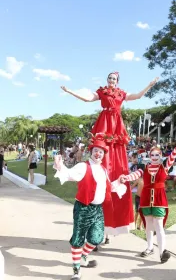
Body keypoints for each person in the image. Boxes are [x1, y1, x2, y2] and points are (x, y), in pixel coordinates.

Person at [60, 73, 159, 236]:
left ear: (117, 81)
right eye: (109, 78)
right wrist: (70, 91)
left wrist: (149, 85)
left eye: (114, 79)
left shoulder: (122, 93)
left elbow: (138, 96)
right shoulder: (102, 92)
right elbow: (87, 98)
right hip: (105, 123)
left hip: (116, 124)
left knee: (118, 157)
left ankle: (111, 223)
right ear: (107, 80)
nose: (111, 81)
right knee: (101, 153)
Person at [53, 138, 126, 280]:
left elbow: (109, 187)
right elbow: (68, 174)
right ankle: (76, 271)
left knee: (97, 237)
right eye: (95, 151)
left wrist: (119, 181)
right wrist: (60, 165)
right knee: (78, 239)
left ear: (103, 154)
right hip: (83, 207)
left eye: (101, 151)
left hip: (97, 209)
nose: (98, 153)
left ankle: (84, 257)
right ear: (91, 152)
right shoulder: (83, 166)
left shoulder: (103, 170)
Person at [120, 134, 176, 262]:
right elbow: (135, 174)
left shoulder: (165, 166)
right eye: (152, 155)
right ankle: (149, 247)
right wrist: (125, 177)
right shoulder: (144, 168)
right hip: (145, 200)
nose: (155, 157)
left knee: (159, 226)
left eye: (157, 155)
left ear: (160, 156)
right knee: (149, 226)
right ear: (149, 156)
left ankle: (162, 252)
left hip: (159, 200)